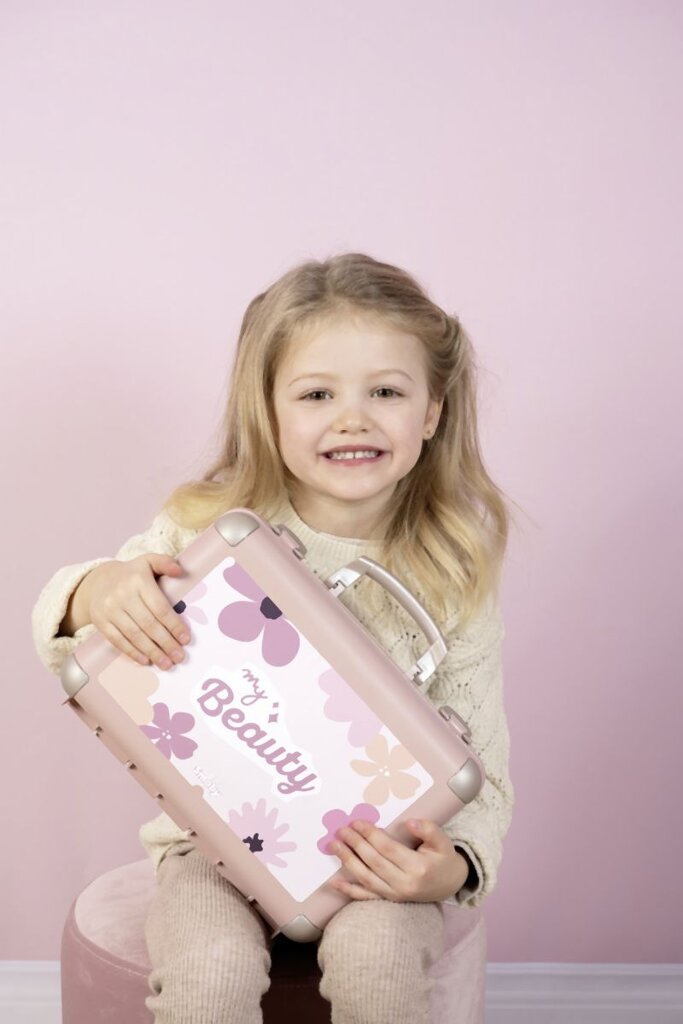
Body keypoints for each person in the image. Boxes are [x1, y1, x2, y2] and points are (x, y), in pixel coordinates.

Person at [32, 252, 516, 1024]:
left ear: (430, 411)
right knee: (210, 970)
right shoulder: (206, 529)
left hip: (371, 859)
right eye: (317, 394)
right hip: (211, 845)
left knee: (380, 967)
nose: (352, 418)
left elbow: (482, 768)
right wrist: (101, 592)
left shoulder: (451, 571)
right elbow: (71, 638)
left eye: (386, 392)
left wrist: (450, 868)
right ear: (268, 410)